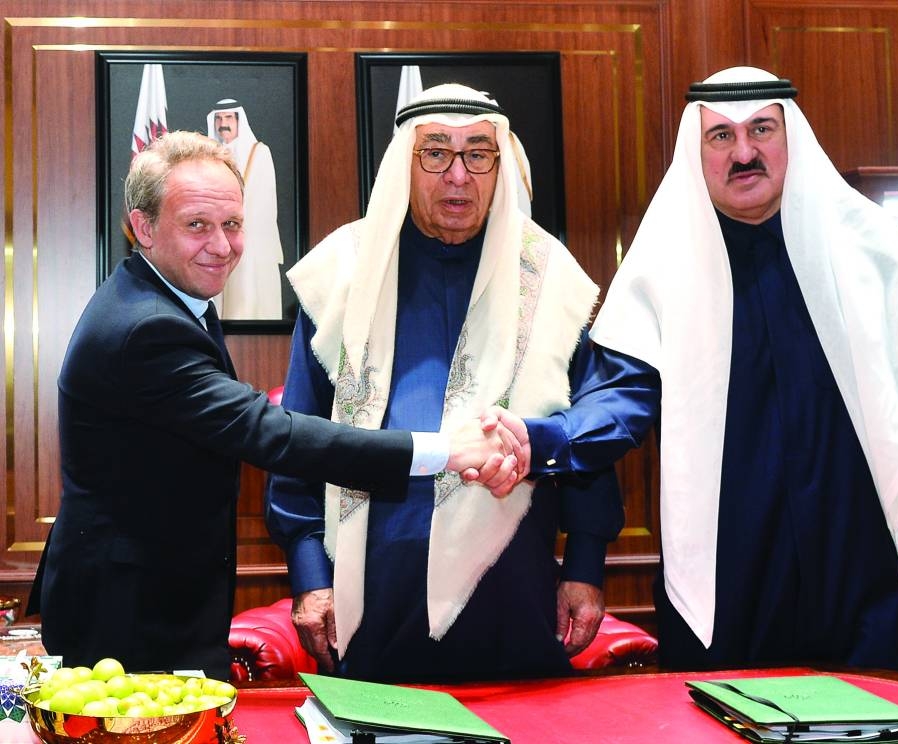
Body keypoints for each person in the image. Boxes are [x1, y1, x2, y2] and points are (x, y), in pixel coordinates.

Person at [497, 66, 898, 677]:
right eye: (721, 136)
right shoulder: (664, 269)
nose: (744, 153)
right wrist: (545, 440)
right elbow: (619, 397)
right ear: (696, 155)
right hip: (730, 573)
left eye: (761, 129)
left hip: (867, 559)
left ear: (792, 137)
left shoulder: (868, 249)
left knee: (887, 713)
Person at [28, 131, 518, 680]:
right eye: (197, 225)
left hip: (144, 590)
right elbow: (270, 433)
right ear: (143, 227)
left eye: (233, 224)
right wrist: (445, 450)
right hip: (127, 610)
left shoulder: (162, 297)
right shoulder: (147, 327)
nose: (222, 246)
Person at [264, 84, 624, 683]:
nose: (458, 175)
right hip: (368, 592)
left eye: (478, 154)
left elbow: (584, 432)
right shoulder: (343, 273)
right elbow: (296, 439)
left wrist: (585, 565)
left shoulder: (549, 276)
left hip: (512, 586)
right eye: (435, 153)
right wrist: (308, 575)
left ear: (500, 165)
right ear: (404, 164)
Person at [207, 98, 284, 319]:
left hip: (251, 241)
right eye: (219, 118)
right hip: (218, 240)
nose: (223, 124)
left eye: (228, 118)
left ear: (239, 120)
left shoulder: (259, 153)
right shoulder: (209, 158)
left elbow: (264, 203)